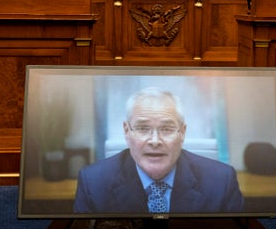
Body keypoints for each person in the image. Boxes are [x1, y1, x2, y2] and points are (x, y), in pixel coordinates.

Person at [73, 87, 244, 214]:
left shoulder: (221, 181)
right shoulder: (93, 183)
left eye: (167, 129)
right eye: (142, 128)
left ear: (182, 133)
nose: (155, 141)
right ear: (127, 131)